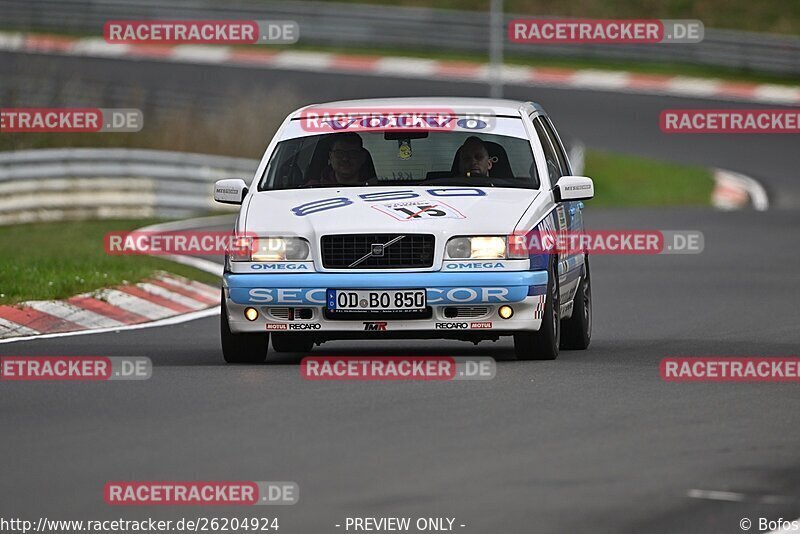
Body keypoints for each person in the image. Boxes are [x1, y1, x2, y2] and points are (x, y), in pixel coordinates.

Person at [306, 132, 372, 186]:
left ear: (362, 157)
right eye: (339, 153)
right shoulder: (311, 188)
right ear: (330, 156)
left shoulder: (378, 188)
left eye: (352, 153)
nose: (345, 158)